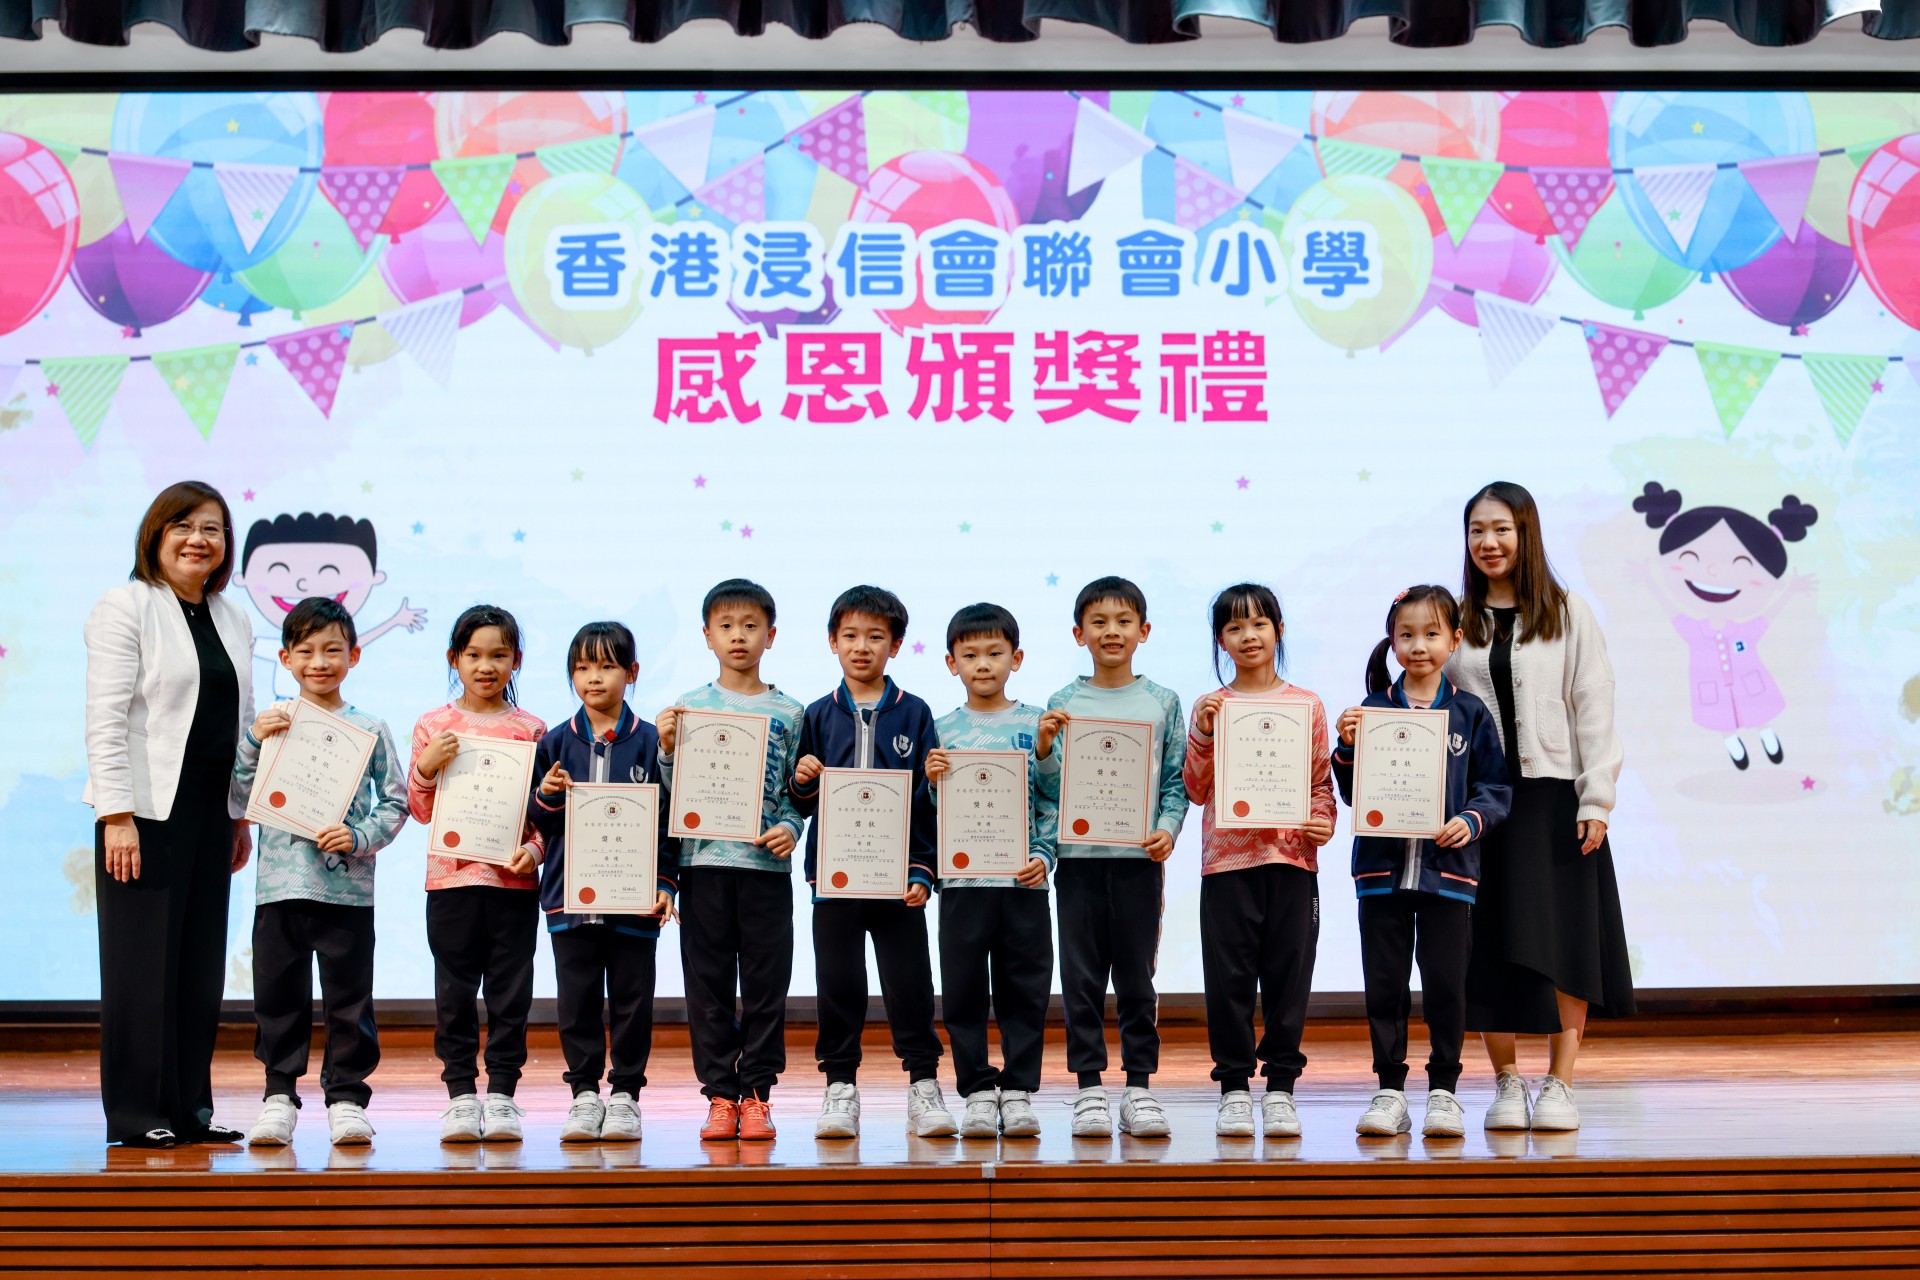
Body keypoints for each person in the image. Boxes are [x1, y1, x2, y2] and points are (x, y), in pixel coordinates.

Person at [1450, 481, 1633, 1132]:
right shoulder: (1456, 620)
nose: (1488, 542)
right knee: (1487, 945)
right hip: (1479, 805)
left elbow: (1594, 703)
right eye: (1477, 530)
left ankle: (1561, 1083)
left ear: (1525, 534)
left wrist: (1596, 798)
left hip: (1554, 799)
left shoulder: (1566, 611)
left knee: (1565, 941)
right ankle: (1506, 1081)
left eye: (1501, 528)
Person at [84, 480, 255, 1148]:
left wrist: (240, 814)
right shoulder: (126, 605)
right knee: (142, 968)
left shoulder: (231, 615)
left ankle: (190, 1111)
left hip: (213, 810)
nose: (197, 539)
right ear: (155, 535)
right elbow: (105, 718)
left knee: (198, 965)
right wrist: (115, 814)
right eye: (182, 525)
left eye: (212, 528)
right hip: (146, 812)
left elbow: (240, 719)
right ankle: (138, 1113)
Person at [1332, 585, 1510, 1140]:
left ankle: (1444, 1092)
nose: (1418, 645)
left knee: (1445, 986)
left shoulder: (1469, 712)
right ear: (1392, 641)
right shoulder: (1372, 711)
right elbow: (1352, 793)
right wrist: (1347, 748)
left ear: (1455, 639)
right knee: (1384, 985)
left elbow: (1495, 788)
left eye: (1432, 634)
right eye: (1406, 634)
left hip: (1448, 876)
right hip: (1381, 875)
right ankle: (1389, 1090)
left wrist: (1472, 820)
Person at [230, 597, 408, 1147]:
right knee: (277, 996)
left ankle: (347, 1099)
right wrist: (253, 740)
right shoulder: (273, 724)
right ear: (285, 658)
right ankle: (279, 1096)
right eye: (305, 651)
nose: (320, 662)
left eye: (332, 650)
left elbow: (396, 801)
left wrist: (360, 837)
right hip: (278, 888)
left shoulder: (370, 728)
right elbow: (238, 793)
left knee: (349, 1000)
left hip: (346, 890)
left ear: (354, 655)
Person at [789, 585, 952, 1141]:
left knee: (910, 982)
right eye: (851, 636)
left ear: (896, 645)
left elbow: (927, 801)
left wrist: (923, 870)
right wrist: (803, 780)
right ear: (832, 642)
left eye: (876, 637)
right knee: (838, 982)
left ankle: (924, 1084)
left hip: (899, 879)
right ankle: (840, 1086)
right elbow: (800, 802)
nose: (862, 647)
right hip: (834, 880)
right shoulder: (816, 714)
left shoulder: (915, 712)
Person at [1037, 575, 1188, 1139]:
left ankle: (1139, 1088)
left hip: (1137, 863)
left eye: (1123, 621)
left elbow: (1174, 781)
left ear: (1143, 631)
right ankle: (1089, 1089)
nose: (1111, 632)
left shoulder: (1163, 701)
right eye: (1098, 622)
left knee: (1136, 978)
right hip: (1078, 861)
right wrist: (1045, 750)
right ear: (1079, 633)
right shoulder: (1062, 702)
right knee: (1079, 978)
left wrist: (1167, 830)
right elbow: (1050, 790)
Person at [1182, 584, 1334, 1140]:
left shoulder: (1307, 705)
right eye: (1234, 627)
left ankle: (1281, 1090)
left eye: (1259, 624)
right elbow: (1195, 789)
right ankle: (1233, 1090)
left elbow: (1320, 785)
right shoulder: (1212, 706)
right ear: (1220, 640)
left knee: (1290, 979)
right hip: (1227, 865)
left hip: (1292, 862)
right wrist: (1203, 732)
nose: (1249, 636)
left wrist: (1323, 821)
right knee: (1229, 982)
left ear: (1278, 630)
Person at [656, 579, 806, 1143]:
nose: (737, 636)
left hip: (765, 871)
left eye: (750, 626)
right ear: (707, 636)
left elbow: (796, 793)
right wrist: (666, 750)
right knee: (708, 989)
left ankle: (757, 1094)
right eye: (725, 626)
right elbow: (668, 797)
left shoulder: (791, 713)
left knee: (768, 987)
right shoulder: (687, 708)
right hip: (702, 869)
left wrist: (791, 827)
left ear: (771, 635)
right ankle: (720, 1095)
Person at [529, 622, 678, 1145]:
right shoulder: (553, 742)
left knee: (634, 1002)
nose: (594, 677)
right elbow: (538, 821)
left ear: (631, 673)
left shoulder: (652, 743)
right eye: (583, 667)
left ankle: (626, 1096)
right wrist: (548, 795)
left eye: (607, 666)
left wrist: (666, 883)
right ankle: (584, 1094)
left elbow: (669, 822)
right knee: (577, 1003)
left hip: (635, 902)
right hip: (569, 901)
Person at [408, 604, 546, 1143]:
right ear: (454, 659)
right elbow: (420, 810)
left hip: (513, 883)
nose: (486, 666)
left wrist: (534, 851)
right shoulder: (432, 726)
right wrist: (426, 766)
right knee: (455, 994)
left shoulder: (533, 730)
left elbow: (544, 814)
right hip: (451, 883)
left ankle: (504, 1094)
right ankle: (461, 1095)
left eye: (498, 655)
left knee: (512, 993)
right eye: (473, 655)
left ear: (516, 660)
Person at [925, 603, 1056, 1140]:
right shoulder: (940, 730)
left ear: (1016, 658)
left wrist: (1043, 856)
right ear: (951, 663)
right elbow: (928, 816)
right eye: (970, 654)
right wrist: (930, 782)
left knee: (1026, 988)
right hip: (962, 884)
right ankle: (977, 1090)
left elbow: (1052, 800)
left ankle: (1019, 1089)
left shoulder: (1038, 724)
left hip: (1023, 881)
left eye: (995, 653)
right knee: (963, 990)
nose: (983, 664)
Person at [1630, 482, 1819, 770]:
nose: (1714, 571)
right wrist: (1649, 580)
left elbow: (1770, 616)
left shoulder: (1744, 632)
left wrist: (1791, 591)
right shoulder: (1694, 632)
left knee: (1759, 713)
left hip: (1751, 685)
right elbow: (1669, 609)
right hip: (1710, 689)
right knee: (1720, 719)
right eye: (1691, 558)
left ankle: (1766, 735)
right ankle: (1733, 743)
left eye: (1741, 564)